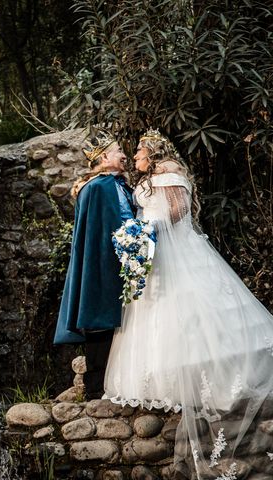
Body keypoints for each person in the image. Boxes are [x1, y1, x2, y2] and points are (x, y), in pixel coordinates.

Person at [104, 129, 273, 479]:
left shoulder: (168, 169)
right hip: (157, 257)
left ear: (151, 152)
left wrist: (143, 228)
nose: (135, 157)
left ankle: (209, 377)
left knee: (194, 313)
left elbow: (178, 211)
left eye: (138, 151)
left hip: (176, 253)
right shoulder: (152, 174)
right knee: (159, 315)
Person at [53, 129, 134, 399]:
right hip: (103, 264)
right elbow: (97, 234)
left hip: (123, 262)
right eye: (119, 151)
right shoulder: (97, 188)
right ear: (103, 157)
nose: (125, 155)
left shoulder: (117, 184)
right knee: (101, 323)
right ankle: (95, 387)